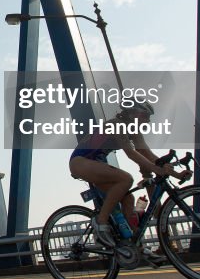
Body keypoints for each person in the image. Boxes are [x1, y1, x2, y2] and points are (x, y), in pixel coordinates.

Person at [70, 101, 182, 249]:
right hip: (80, 162)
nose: (148, 120)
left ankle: (133, 245)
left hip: (96, 164)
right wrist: (157, 169)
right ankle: (101, 221)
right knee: (126, 179)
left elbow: (146, 153)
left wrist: (176, 174)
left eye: (149, 117)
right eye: (145, 116)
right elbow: (131, 153)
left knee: (128, 198)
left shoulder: (134, 131)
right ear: (132, 113)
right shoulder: (117, 125)